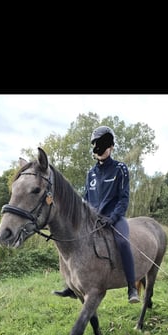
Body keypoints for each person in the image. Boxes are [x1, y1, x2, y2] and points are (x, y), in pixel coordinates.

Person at [53, 126, 140, 303]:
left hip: (113, 218)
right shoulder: (90, 173)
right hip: (92, 219)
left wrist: (113, 217)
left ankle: (132, 287)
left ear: (112, 147)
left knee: (123, 242)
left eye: (104, 145)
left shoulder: (120, 169)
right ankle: (72, 285)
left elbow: (123, 199)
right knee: (71, 242)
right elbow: (85, 199)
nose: (100, 149)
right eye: (96, 145)